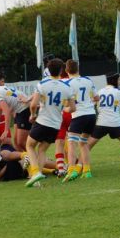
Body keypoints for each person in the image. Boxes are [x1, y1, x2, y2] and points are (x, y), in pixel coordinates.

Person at [25, 58, 76, 187]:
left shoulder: (42, 84)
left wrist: (32, 115)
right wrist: (64, 108)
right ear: (61, 70)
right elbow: (73, 108)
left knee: (30, 146)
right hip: (55, 124)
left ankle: (35, 172)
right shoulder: (67, 87)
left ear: (48, 70)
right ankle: (37, 179)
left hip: (42, 121)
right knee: (42, 150)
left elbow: (33, 104)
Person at [62, 59, 98, 182]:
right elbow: (96, 97)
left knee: (71, 143)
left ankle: (71, 170)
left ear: (66, 71)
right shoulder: (88, 80)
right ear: (78, 69)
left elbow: (67, 103)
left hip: (79, 116)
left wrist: (64, 108)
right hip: (91, 115)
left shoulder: (67, 83)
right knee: (83, 143)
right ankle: (87, 171)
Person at [0, 73, 32, 151]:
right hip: (19, 112)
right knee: (16, 143)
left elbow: (6, 110)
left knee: (21, 143)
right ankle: (26, 160)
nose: (4, 83)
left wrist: (6, 130)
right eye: (2, 81)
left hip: (22, 111)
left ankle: (35, 160)